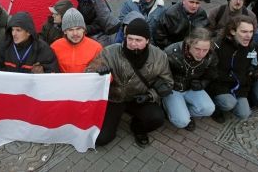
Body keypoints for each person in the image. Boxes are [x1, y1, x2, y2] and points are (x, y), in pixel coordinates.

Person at [86, 18, 173, 147]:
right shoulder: (110, 51)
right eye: (130, 38)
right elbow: (89, 71)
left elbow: (168, 82)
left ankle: (137, 126)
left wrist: (150, 96)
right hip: (115, 97)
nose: (132, 43)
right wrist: (98, 71)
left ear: (147, 41)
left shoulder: (159, 56)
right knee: (101, 139)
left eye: (138, 40)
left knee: (157, 119)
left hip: (139, 98)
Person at [208, 15, 258, 123]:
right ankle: (215, 107)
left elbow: (256, 64)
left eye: (251, 32)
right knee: (229, 103)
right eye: (244, 32)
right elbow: (210, 69)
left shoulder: (253, 47)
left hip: (239, 86)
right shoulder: (218, 45)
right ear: (232, 31)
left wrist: (255, 72)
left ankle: (230, 102)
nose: (248, 36)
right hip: (220, 85)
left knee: (244, 114)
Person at [163, 28, 217, 130]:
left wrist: (202, 84)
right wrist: (167, 87)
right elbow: (160, 74)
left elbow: (212, 73)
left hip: (191, 88)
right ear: (189, 43)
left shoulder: (210, 55)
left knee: (209, 109)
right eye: (197, 49)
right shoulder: (171, 52)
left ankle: (183, 111)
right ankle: (170, 110)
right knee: (181, 122)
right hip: (173, 89)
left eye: (205, 50)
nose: (201, 54)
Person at [51, 8, 103, 73]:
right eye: (70, 30)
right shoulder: (55, 47)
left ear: (84, 29)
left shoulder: (96, 48)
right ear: (64, 31)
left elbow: (107, 77)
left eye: (78, 29)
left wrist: (104, 71)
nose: (75, 33)